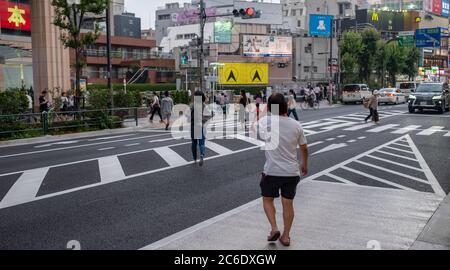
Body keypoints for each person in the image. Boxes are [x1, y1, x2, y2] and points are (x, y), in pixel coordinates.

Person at [257, 93, 309, 247]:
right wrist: (304, 164)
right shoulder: (296, 125)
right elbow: (305, 148)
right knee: (288, 204)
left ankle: (274, 228)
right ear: (286, 105)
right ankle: (286, 236)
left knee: (267, 200)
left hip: (271, 171)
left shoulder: (264, 122)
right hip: (291, 172)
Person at [191, 91, 211, 167]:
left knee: (194, 143)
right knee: (201, 143)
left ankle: (194, 158)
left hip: (194, 125)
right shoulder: (204, 105)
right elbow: (208, 115)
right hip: (201, 126)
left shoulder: (193, 105)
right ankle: (202, 154)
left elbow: (187, 115)